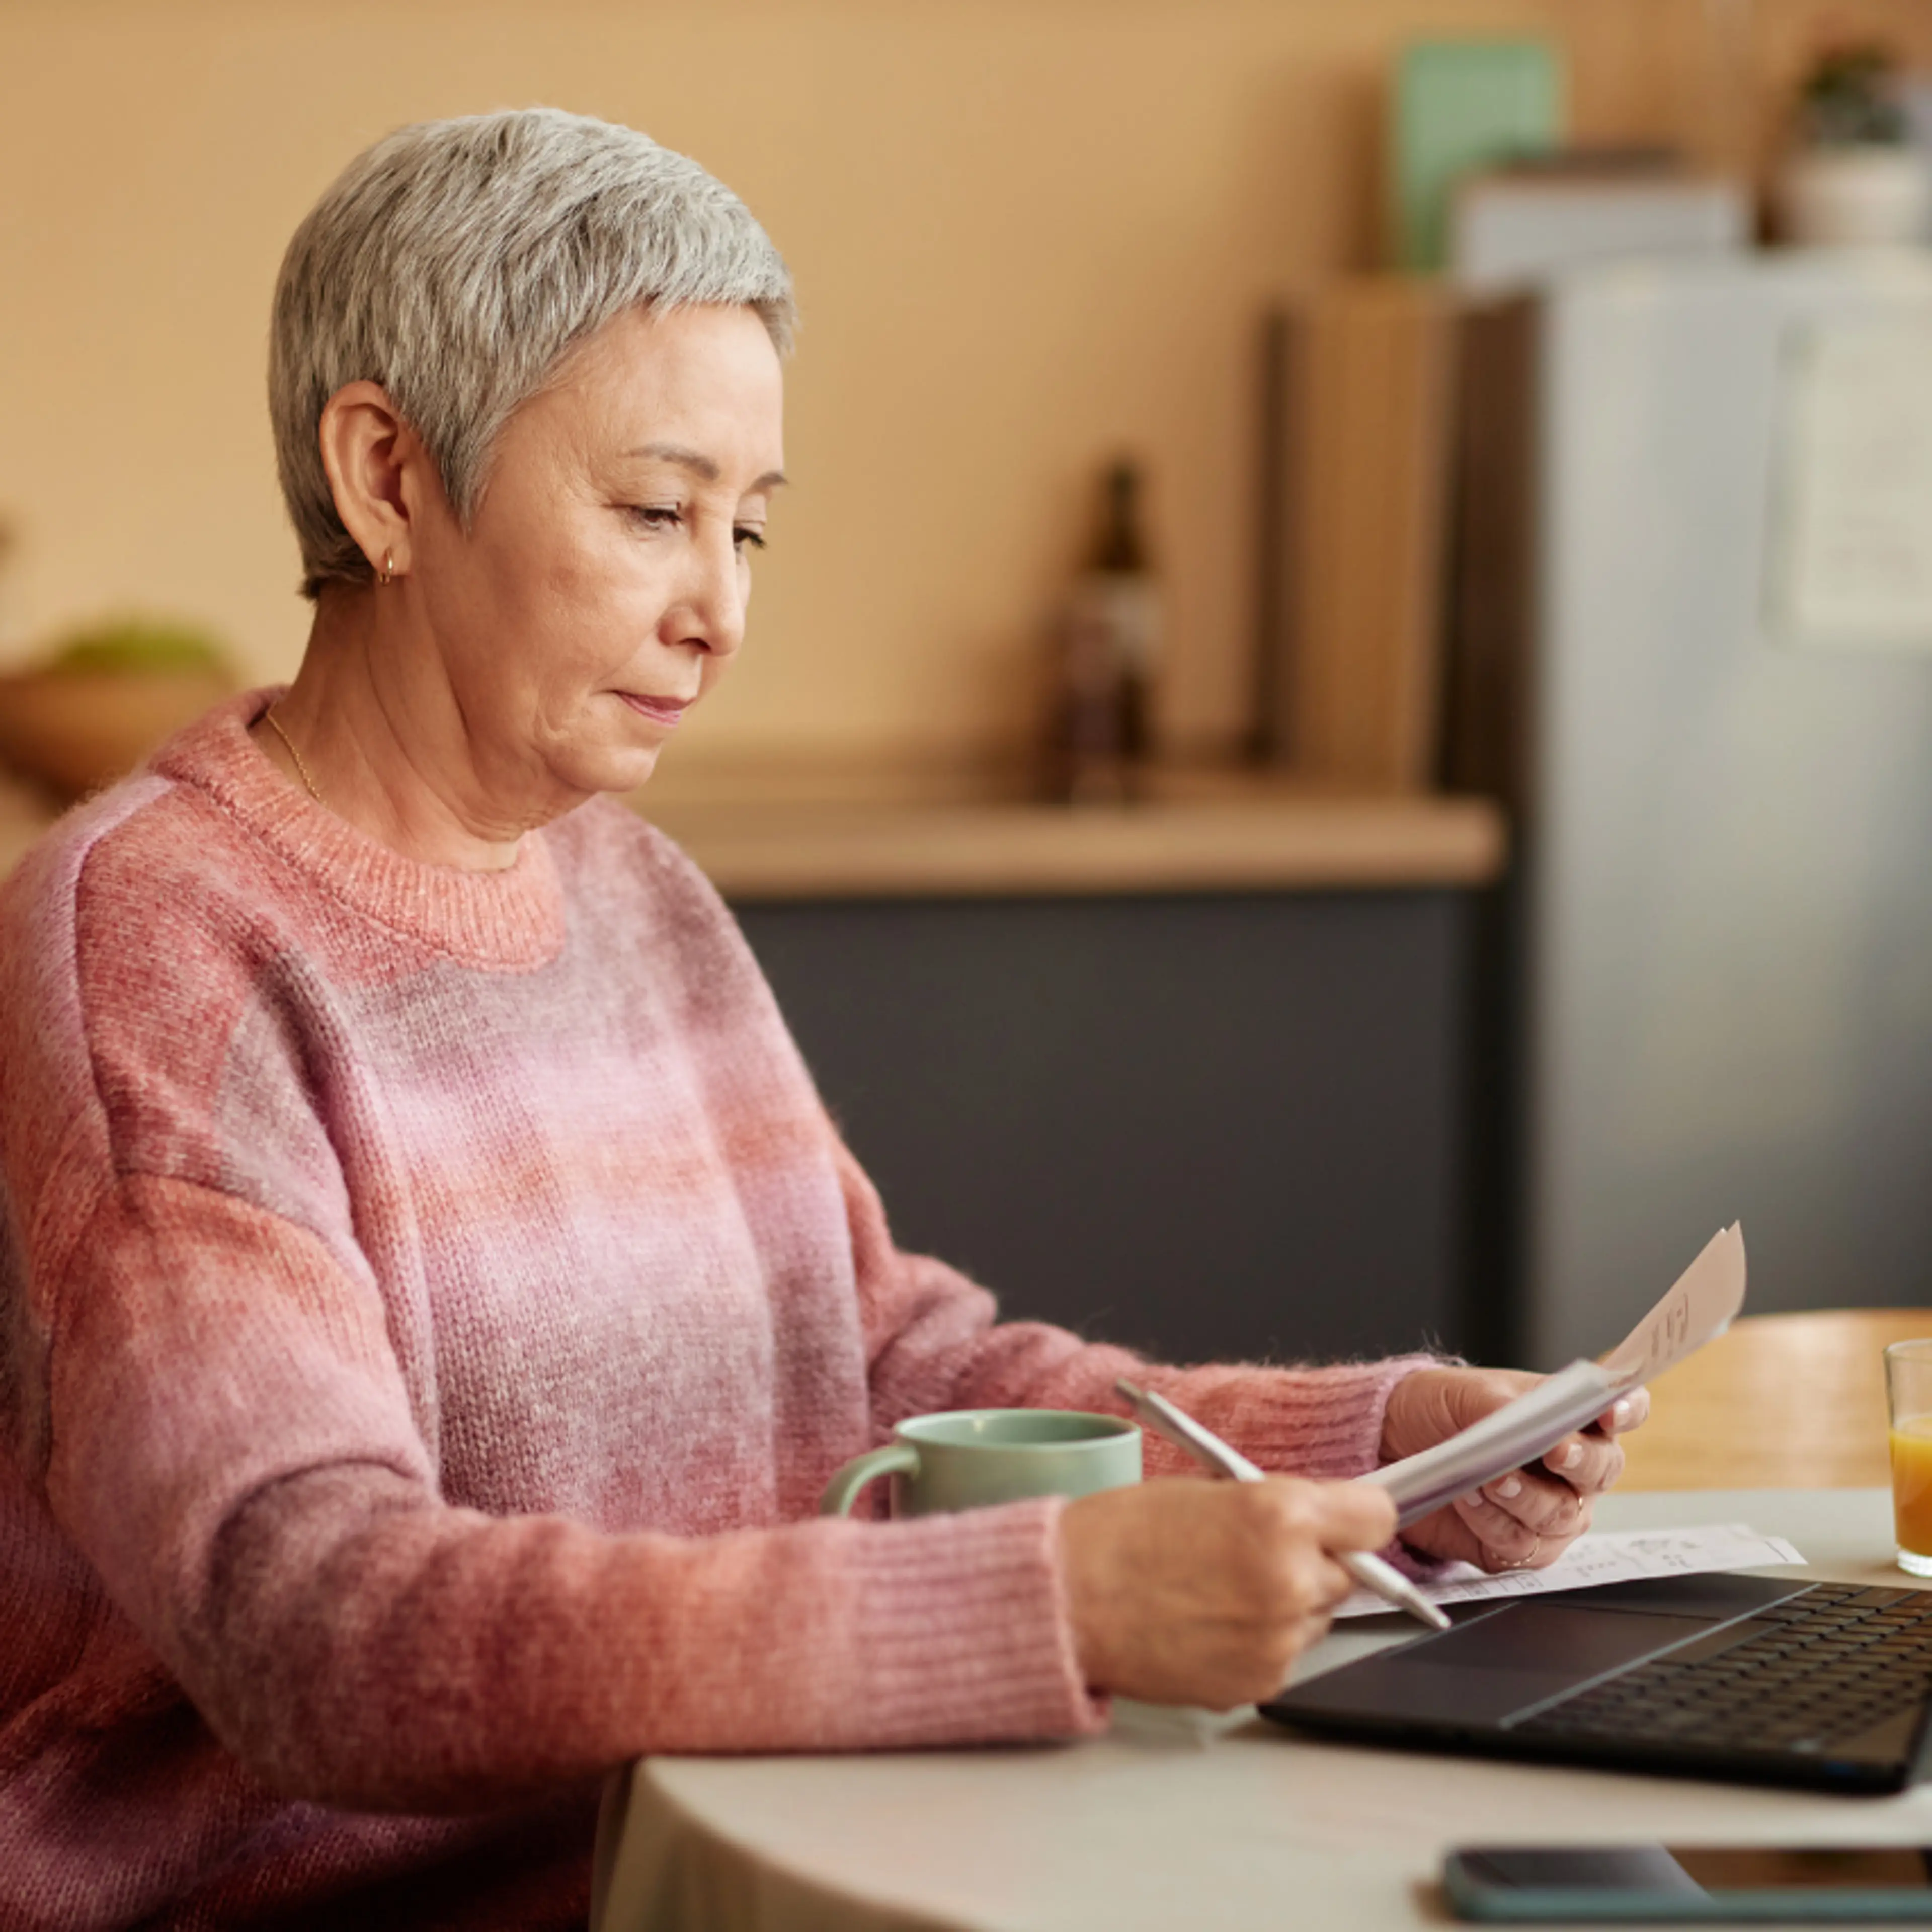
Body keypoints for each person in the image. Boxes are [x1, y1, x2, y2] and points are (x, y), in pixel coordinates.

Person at [0, 109, 1646, 1928]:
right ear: (388, 475)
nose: (721, 610)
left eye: (750, 526)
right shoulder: (153, 938)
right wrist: (1061, 1607)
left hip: (742, 1873)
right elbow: (306, 1617)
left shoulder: (635, 893)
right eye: (654, 511)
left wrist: (1390, 1452)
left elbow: (884, 1371)